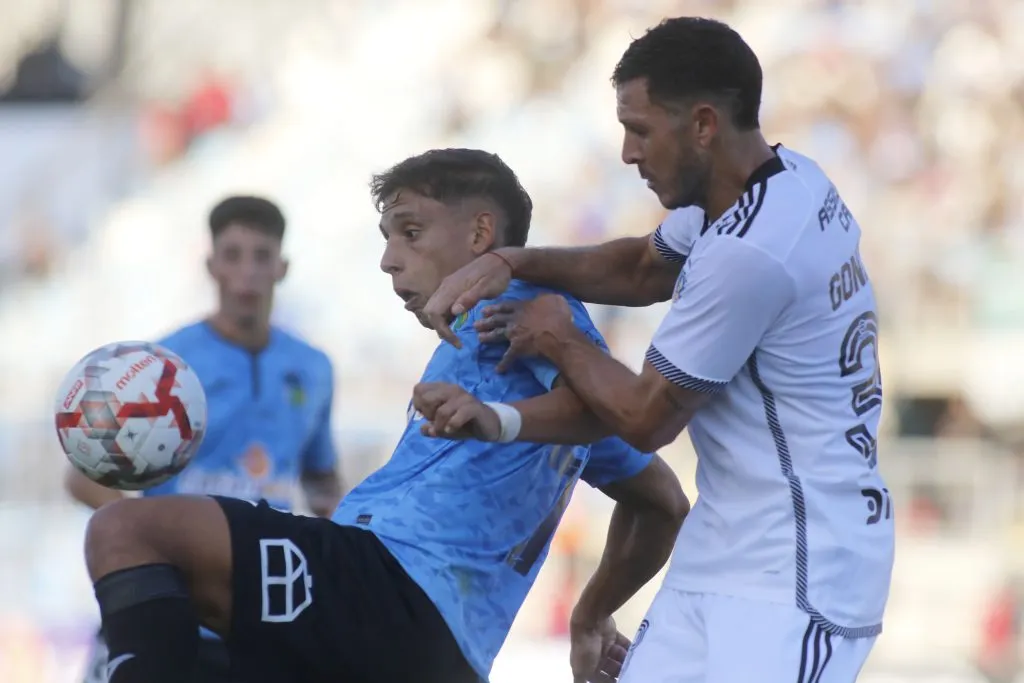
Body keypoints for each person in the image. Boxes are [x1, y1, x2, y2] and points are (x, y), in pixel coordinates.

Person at [81, 148, 689, 683]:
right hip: (449, 652)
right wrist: (592, 613)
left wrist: (494, 415)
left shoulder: (517, 302)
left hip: (389, 584)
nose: (389, 260)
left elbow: (611, 415)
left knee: (128, 533)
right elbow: (660, 498)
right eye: (386, 237)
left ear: (481, 234)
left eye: (411, 232)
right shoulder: (553, 392)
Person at [421, 17, 895, 683]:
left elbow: (647, 418)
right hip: (725, 546)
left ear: (703, 124)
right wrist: (514, 260)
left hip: (800, 571)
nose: (626, 153)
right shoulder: (781, 183)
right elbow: (643, 269)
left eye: (640, 130)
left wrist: (556, 334)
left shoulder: (750, 251)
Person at [66, 195, 343, 683]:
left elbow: (322, 480)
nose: (247, 272)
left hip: (258, 613)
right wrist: (143, 535)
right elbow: (81, 478)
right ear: (211, 265)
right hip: (170, 606)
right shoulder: (163, 364)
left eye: (261, 256)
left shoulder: (313, 368)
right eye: (233, 255)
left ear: (282, 267)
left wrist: (344, 550)